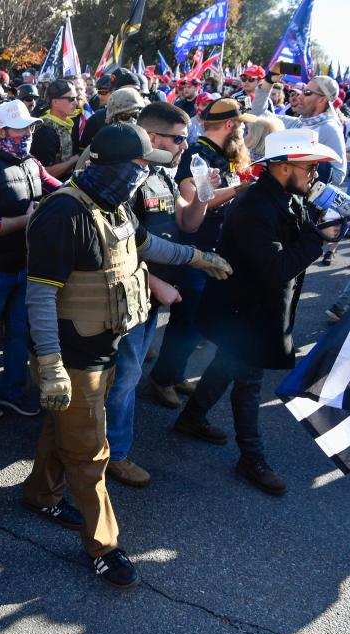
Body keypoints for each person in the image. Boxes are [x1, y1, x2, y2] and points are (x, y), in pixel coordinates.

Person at [23, 123, 177, 588]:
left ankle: (41, 494)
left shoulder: (115, 206)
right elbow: (40, 296)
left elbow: (147, 246)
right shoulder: (63, 214)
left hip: (103, 348)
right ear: (116, 167)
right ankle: (104, 547)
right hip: (73, 359)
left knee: (61, 426)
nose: (147, 172)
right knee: (91, 454)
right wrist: (51, 366)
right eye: (141, 165)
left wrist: (197, 257)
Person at [173, 129, 342, 496]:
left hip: (253, 310)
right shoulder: (256, 207)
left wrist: (325, 221)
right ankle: (252, 457)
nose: (315, 174)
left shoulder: (280, 194)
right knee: (247, 384)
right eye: (310, 167)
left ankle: (191, 417)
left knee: (226, 365)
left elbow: (293, 235)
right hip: (245, 312)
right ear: (283, 168)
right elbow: (277, 269)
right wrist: (320, 238)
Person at [102, 103, 231, 488]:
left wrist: (205, 194)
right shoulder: (125, 175)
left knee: (129, 372)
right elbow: (117, 241)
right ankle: (115, 453)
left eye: (186, 137)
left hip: (153, 293)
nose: (184, 145)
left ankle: (104, 444)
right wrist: (157, 282)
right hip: (129, 288)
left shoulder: (162, 174)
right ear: (152, 136)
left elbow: (185, 223)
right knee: (124, 377)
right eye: (178, 138)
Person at [149, 98, 252, 409]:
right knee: (187, 316)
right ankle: (162, 378)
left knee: (197, 318)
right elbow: (191, 201)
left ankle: (174, 372)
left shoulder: (225, 154)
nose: (244, 129)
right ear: (231, 124)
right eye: (242, 124)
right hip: (197, 248)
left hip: (216, 245)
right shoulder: (197, 152)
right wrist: (238, 190)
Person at [0, 99, 61, 419]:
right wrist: (27, 220)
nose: (28, 134)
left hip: (26, 267)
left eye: (30, 128)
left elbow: (60, 191)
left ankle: (10, 392)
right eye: (22, 128)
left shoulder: (33, 164)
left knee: (19, 334)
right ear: (1, 132)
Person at [252, 73, 347, 188]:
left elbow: (338, 176)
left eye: (307, 93)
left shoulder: (329, 128)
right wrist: (268, 81)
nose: (300, 97)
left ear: (322, 100)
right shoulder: (297, 122)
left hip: (299, 200)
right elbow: (258, 114)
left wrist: (305, 165)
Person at [30, 80, 80, 179]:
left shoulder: (68, 123)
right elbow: (47, 173)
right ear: (55, 102)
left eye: (76, 98)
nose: (76, 102)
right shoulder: (45, 131)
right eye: (71, 99)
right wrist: (77, 158)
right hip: (49, 192)